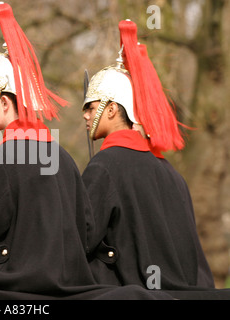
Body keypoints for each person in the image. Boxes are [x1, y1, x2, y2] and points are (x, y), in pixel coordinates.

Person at [0, 3, 171, 300]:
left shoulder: (9, 156)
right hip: (73, 280)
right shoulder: (62, 156)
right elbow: (86, 231)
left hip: (22, 280)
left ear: (6, 103)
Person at [81, 20, 230, 299]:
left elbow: (79, 242)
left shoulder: (104, 166)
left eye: (90, 107)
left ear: (112, 109)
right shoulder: (171, 173)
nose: (85, 115)